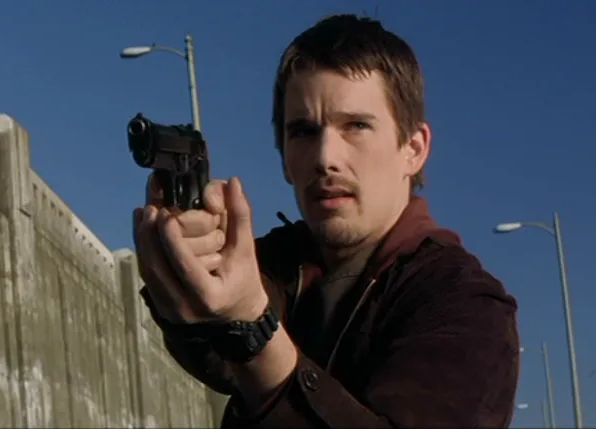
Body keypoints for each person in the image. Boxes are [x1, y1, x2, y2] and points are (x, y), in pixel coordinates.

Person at [133, 14, 520, 428]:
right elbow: (215, 357)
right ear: (284, 158)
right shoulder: (280, 264)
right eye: (303, 132)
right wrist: (187, 276)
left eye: (356, 126)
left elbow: (248, 332)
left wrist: (254, 329)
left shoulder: (466, 304)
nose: (325, 158)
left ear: (413, 149)